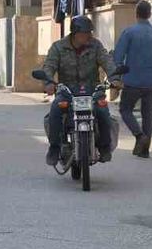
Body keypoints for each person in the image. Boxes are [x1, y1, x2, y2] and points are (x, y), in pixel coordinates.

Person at [42, 16, 118, 166]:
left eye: (89, 33)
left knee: (102, 111)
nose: (88, 36)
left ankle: (104, 147)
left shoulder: (96, 45)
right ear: (75, 33)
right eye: (84, 33)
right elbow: (49, 66)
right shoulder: (58, 47)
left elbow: (107, 61)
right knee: (56, 110)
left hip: (92, 90)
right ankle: (54, 148)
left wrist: (115, 78)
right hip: (67, 91)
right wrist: (48, 82)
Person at [113, 0, 152, 158]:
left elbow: (118, 56)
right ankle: (145, 150)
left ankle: (139, 136)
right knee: (148, 115)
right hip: (151, 82)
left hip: (132, 81)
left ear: (136, 14)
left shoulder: (129, 32)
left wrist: (116, 76)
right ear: (150, 14)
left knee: (125, 110)